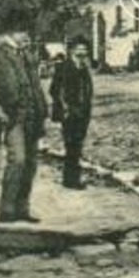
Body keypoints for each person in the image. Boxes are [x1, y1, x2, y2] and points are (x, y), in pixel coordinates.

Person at [0, 19, 48, 223]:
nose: (26, 35)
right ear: (9, 32)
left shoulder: (27, 55)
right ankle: (7, 209)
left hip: (32, 117)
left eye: (27, 31)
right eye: (21, 31)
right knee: (17, 160)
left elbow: (35, 86)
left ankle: (23, 208)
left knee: (31, 163)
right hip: (12, 118)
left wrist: (43, 110)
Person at [49, 37, 95, 190]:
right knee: (71, 145)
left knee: (78, 144)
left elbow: (87, 90)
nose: (83, 52)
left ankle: (72, 177)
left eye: (85, 49)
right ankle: (70, 180)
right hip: (69, 112)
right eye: (80, 49)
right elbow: (54, 89)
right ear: (72, 50)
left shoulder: (83, 68)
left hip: (83, 112)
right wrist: (65, 107)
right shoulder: (63, 67)